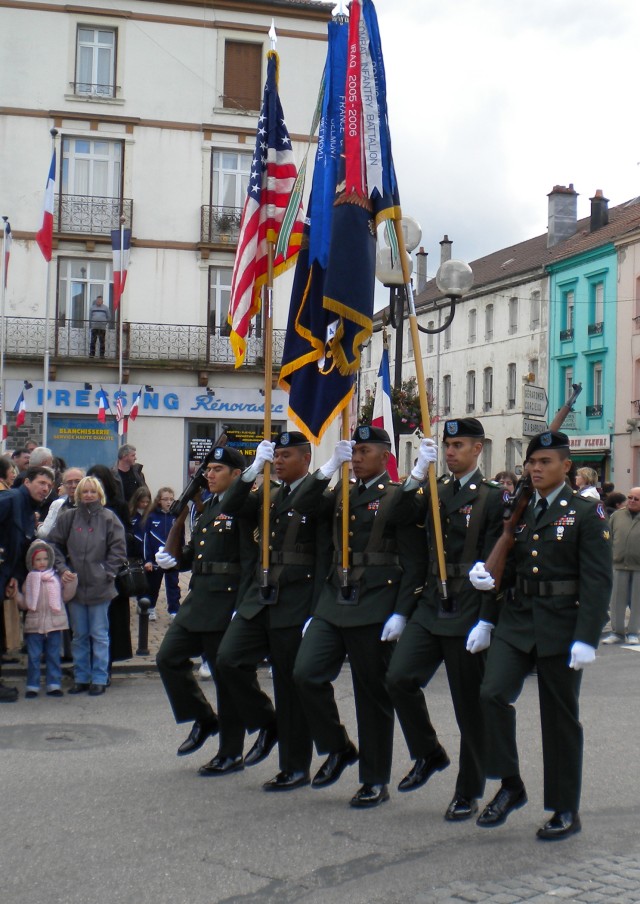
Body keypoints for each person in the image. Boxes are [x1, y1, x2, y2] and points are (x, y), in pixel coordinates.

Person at [470, 431, 612, 840]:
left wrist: (588, 635)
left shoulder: (587, 512)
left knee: (560, 719)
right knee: (491, 694)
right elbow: (509, 568)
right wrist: (487, 612)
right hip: (517, 619)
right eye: (532, 462)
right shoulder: (522, 509)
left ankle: (565, 809)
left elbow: (598, 580)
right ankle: (511, 784)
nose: (536, 469)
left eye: (545, 462)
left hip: (561, 625)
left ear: (566, 467)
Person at [293, 426, 427, 809]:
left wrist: (402, 611)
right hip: (334, 599)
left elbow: (414, 560)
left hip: (376, 602)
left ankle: (373, 779)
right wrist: (329, 466)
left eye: (364, 450)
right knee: (305, 673)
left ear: (385, 455)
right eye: (354, 450)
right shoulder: (340, 493)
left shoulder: (395, 496)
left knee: (372, 696)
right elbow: (301, 504)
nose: (357, 456)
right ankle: (337, 746)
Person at [385, 418, 505, 821]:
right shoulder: (432, 490)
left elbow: (498, 566)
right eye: (447, 445)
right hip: (431, 603)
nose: (450, 451)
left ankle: (469, 791)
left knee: (468, 706)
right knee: (399, 678)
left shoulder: (491, 498)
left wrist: (488, 620)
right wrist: (417, 472)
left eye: (458, 445)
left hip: (467, 605)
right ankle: (429, 752)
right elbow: (396, 516)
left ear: (478, 450)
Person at [216, 432, 324, 792]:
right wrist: (251, 470)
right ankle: (267, 722)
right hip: (258, 598)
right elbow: (228, 506)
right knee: (228, 659)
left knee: (289, 686)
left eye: (286, 455)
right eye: (275, 455)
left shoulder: (320, 494)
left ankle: (295, 766)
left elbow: (324, 554)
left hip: (295, 598)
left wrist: (315, 610)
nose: (278, 461)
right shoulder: (267, 494)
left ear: (306, 459)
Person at [155, 448, 257, 771]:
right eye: (208, 469)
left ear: (237, 474)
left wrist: (240, 607)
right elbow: (200, 553)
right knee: (167, 657)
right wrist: (177, 558)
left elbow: (249, 561)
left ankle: (231, 752)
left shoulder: (242, 507)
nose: (209, 475)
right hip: (198, 599)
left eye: (217, 469)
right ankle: (203, 717)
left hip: (225, 602)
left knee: (226, 680)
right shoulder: (207, 506)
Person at [49, 476, 126, 695]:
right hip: (75, 586)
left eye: (93, 492)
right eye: (85, 491)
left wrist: (107, 572)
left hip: (100, 587)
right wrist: (63, 569)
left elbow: (118, 549)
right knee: (79, 635)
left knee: (99, 634)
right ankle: (81, 677)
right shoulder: (69, 517)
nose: (88, 495)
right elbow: (54, 544)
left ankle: (99, 678)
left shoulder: (109, 518)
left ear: (99, 494)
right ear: (78, 494)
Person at [0, 466, 54, 701]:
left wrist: (15, 576)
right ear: (27, 482)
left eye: (49, 486)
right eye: (41, 483)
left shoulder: (29, 510)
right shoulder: (10, 500)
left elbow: (20, 547)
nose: (45, 489)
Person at [8, 540, 76, 698]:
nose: (42, 562)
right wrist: (16, 595)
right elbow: (25, 603)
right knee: (34, 656)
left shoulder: (56, 579)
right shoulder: (30, 580)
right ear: (32, 561)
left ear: (50, 559)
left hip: (54, 623)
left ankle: (54, 683)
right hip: (35, 624)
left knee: (53, 654)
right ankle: (33, 684)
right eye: (38, 559)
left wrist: (72, 582)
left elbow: (65, 597)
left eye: (45, 559)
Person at [86, 464, 134, 664]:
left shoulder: (118, 506)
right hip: (87, 571)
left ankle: (106, 663)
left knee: (111, 620)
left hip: (111, 571)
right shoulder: (82, 508)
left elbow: (128, 538)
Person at [602, 488, 640, 645]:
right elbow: (607, 537)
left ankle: (633, 632)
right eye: (629, 497)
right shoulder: (617, 516)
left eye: (636, 499)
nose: (631, 500)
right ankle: (617, 632)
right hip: (618, 564)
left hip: (638, 566)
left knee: (637, 601)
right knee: (616, 600)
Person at [143, 487, 182, 621]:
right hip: (155, 560)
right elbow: (146, 540)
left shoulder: (176, 517)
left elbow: (181, 539)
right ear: (159, 501)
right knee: (153, 585)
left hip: (171, 558)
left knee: (173, 585)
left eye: (171, 499)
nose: (169, 502)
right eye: (165, 499)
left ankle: (174, 610)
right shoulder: (152, 517)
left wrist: (180, 556)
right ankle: (151, 607)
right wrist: (147, 559)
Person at [37, 467, 83, 538]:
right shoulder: (58, 505)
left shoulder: (92, 508)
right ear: (63, 485)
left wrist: (38, 526)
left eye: (77, 481)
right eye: (69, 482)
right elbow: (45, 533)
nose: (74, 485)